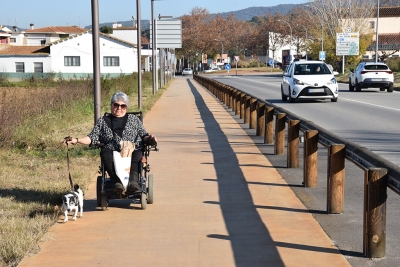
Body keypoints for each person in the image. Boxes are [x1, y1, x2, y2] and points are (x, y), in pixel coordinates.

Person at [63, 92, 157, 193]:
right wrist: (77, 140)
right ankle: (117, 182)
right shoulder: (103, 121)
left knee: (138, 153)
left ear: (126, 107)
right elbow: (91, 137)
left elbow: (144, 135)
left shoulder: (134, 119)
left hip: (131, 149)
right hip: (111, 150)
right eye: (116, 105)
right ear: (111, 105)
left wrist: (150, 139)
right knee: (105, 153)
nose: (119, 108)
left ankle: (133, 181)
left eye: (123, 105)